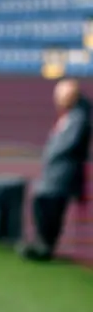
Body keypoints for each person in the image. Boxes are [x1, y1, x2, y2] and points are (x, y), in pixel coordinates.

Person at [18, 79, 91, 261]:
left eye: (61, 95)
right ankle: (39, 241)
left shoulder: (79, 117)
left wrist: (50, 154)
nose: (57, 99)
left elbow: (69, 144)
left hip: (64, 172)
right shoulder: (69, 116)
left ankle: (46, 246)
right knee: (40, 201)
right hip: (53, 172)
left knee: (52, 206)